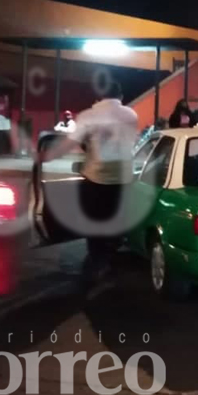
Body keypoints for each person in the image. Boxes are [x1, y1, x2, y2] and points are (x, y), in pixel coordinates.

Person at [43, 82, 138, 276]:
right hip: (125, 177)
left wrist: (47, 156)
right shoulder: (131, 115)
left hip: (98, 178)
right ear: (120, 96)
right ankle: (116, 253)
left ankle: (98, 261)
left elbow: (69, 144)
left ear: (99, 96)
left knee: (94, 221)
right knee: (118, 219)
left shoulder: (88, 116)